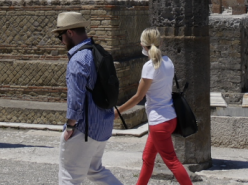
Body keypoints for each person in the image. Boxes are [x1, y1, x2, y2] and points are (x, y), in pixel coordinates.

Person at [114, 28, 193, 185]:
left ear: (142, 45)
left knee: (172, 162)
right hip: (170, 118)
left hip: (159, 122)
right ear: (161, 43)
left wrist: (118, 111)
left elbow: (138, 97)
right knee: (148, 158)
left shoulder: (150, 67)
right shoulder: (168, 62)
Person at [54, 12, 122, 185]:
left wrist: (70, 126)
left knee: (69, 176)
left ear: (69, 33)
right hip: (103, 126)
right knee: (95, 170)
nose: (61, 41)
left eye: (60, 36)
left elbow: (76, 99)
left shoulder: (77, 60)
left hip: (84, 129)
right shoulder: (98, 51)